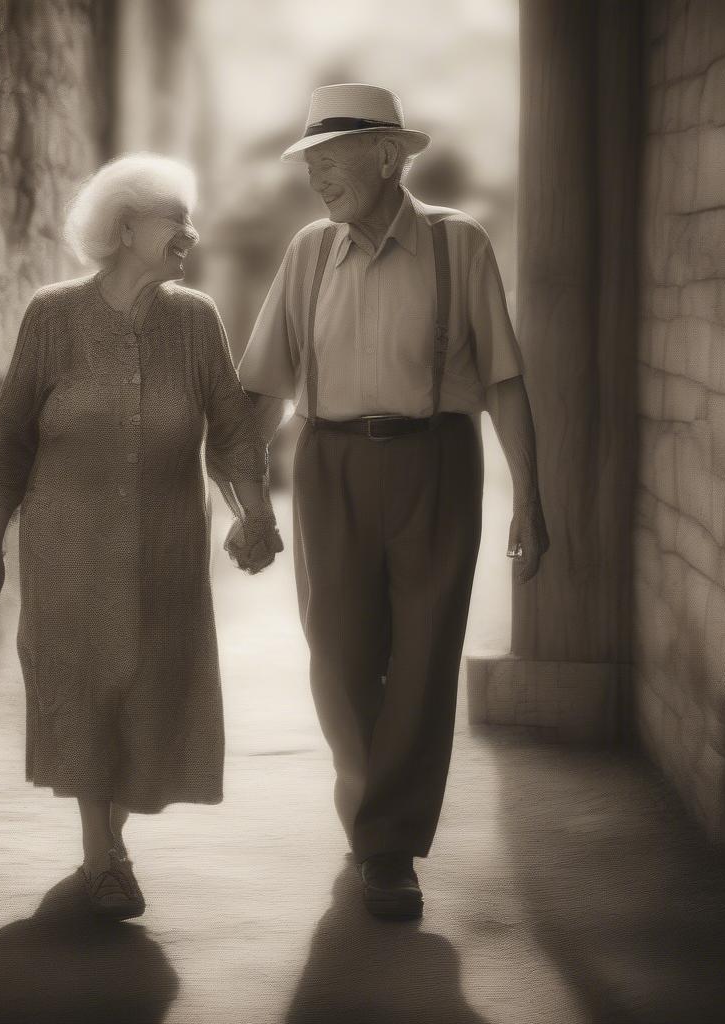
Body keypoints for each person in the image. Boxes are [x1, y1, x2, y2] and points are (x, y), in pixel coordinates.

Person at [235, 84, 550, 920]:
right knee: (337, 653)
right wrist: (245, 498)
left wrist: (530, 494)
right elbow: (263, 387)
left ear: (386, 158)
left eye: (331, 161)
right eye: (311, 164)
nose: (318, 179)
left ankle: (390, 846)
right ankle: (373, 805)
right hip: (330, 462)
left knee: (422, 657)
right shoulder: (307, 252)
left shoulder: (459, 244)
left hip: (437, 463)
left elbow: (507, 383)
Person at [0, 153, 282, 920]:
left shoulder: (196, 320)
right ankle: (102, 856)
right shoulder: (52, 316)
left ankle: (108, 848)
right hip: (68, 557)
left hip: (166, 556)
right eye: (176, 218)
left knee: (148, 698)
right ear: (127, 226)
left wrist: (256, 511)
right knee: (84, 692)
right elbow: (10, 440)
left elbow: (233, 434)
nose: (190, 233)